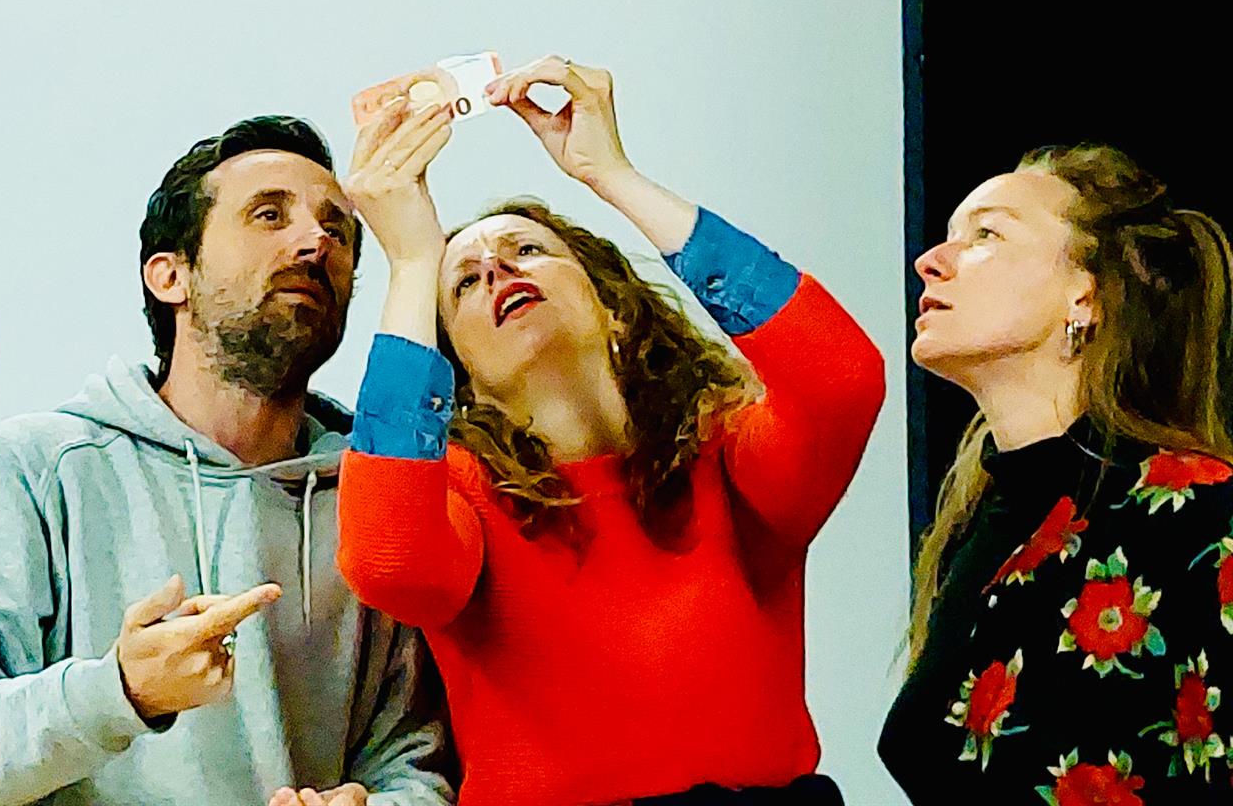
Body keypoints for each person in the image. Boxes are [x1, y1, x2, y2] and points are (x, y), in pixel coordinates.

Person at [336, 57, 886, 805]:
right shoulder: (463, 493)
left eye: (528, 250)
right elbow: (387, 561)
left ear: (614, 307)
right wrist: (410, 261)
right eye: (463, 281)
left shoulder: (723, 454)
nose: (496, 267)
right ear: (458, 373)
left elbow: (840, 378)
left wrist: (614, 176)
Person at [0, 115, 453, 806]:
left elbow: (416, 764)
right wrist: (119, 690)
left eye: (338, 228)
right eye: (269, 215)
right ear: (170, 275)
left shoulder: (373, 496)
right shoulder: (40, 467)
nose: (315, 241)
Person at [880, 144, 1233, 801]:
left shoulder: (1196, 513)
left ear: (1084, 295)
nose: (931, 261)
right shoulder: (980, 522)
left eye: (986, 235)